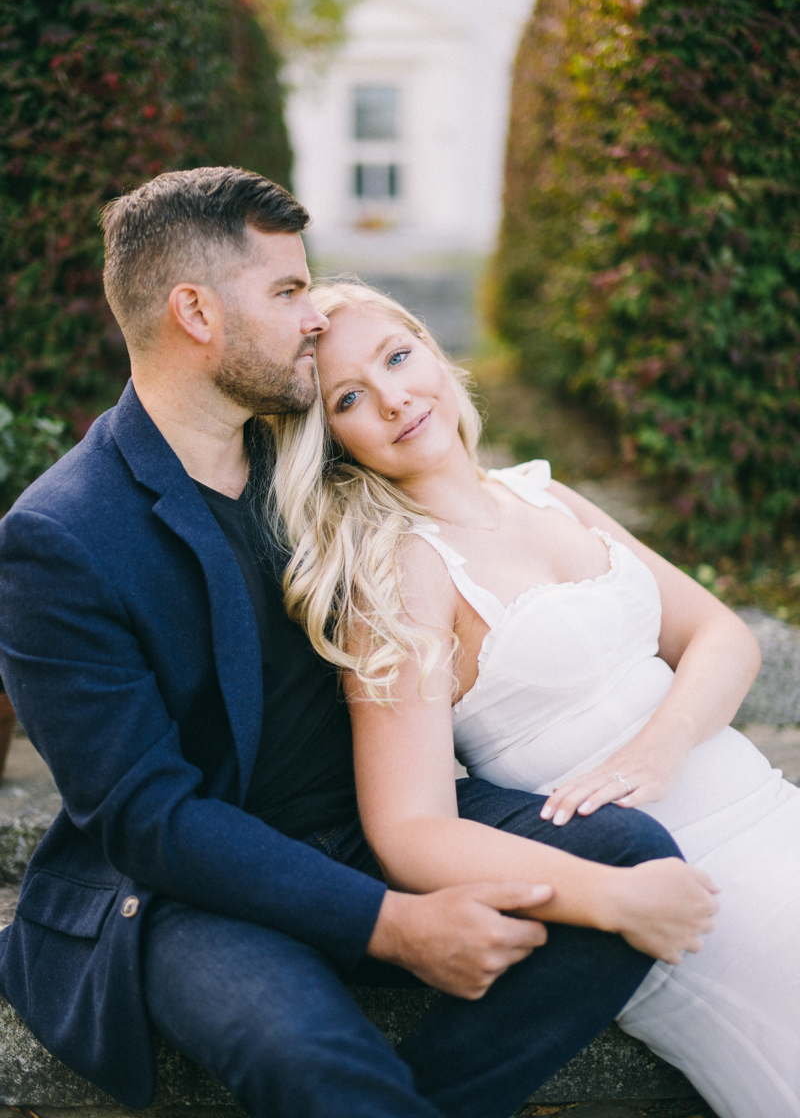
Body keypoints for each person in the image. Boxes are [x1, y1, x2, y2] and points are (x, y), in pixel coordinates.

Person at [0, 168, 717, 1118]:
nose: (313, 317)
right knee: (303, 1052)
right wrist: (397, 927)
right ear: (196, 312)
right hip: (186, 891)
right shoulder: (62, 536)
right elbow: (151, 823)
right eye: (289, 291)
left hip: (375, 828)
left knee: (626, 856)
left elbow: (449, 494)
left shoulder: (310, 452)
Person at [268, 279, 800, 1118]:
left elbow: (723, 636)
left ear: (434, 352)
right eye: (350, 398)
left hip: (769, 814)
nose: (396, 397)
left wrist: (660, 745)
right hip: (684, 890)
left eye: (399, 358)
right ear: (329, 440)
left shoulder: (543, 492)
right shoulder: (400, 574)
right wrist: (615, 897)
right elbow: (410, 830)